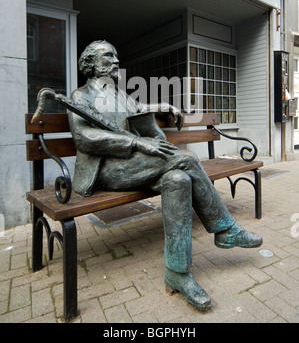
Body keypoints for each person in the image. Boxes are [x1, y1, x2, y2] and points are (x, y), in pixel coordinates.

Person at [68, 40, 263, 311]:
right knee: (186, 157)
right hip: (106, 170)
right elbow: (84, 137)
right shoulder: (81, 96)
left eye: (116, 55)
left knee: (178, 180)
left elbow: (139, 109)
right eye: (108, 56)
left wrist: (163, 106)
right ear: (90, 64)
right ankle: (225, 229)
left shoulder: (119, 94)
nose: (115, 60)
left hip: (135, 165)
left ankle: (177, 273)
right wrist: (137, 143)